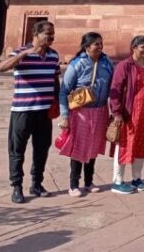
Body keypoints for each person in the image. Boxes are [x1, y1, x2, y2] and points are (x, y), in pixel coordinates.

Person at [0, 20, 60, 204]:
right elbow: (2, 67)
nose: (51, 37)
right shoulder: (21, 52)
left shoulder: (53, 55)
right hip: (23, 110)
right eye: (47, 34)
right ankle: (17, 186)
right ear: (36, 34)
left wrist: (56, 100)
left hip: (44, 111)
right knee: (17, 150)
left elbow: (55, 79)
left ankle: (36, 184)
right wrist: (24, 54)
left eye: (52, 34)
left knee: (42, 149)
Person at [58, 32, 115, 197]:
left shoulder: (106, 63)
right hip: (81, 112)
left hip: (100, 110)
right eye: (96, 44)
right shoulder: (77, 64)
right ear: (87, 46)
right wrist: (64, 116)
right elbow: (64, 91)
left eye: (101, 43)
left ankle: (89, 182)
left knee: (93, 146)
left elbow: (113, 88)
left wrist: (113, 110)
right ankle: (73, 184)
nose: (100, 46)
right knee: (79, 147)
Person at [109, 35, 144, 194]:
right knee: (124, 145)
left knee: (142, 145)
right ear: (134, 47)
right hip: (130, 113)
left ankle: (136, 178)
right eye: (143, 47)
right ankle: (117, 181)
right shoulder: (125, 66)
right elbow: (115, 90)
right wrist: (117, 112)